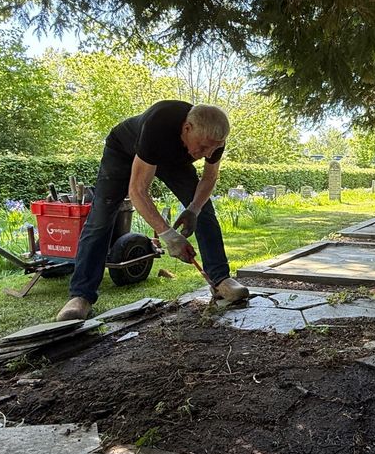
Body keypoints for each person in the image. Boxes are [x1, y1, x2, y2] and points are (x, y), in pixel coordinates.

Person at [55, 101, 249, 321]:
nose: (207, 154)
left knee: (205, 211)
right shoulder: (159, 124)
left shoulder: (213, 139)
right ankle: (81, 296)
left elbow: (209, 177)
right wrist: (167, 235)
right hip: (123, 151)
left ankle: (220, 279)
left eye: (213, 149)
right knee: (101, 217)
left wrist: (193, 210)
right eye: (203, 147)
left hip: (172, 158)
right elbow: (138, 191)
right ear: (187, 128)